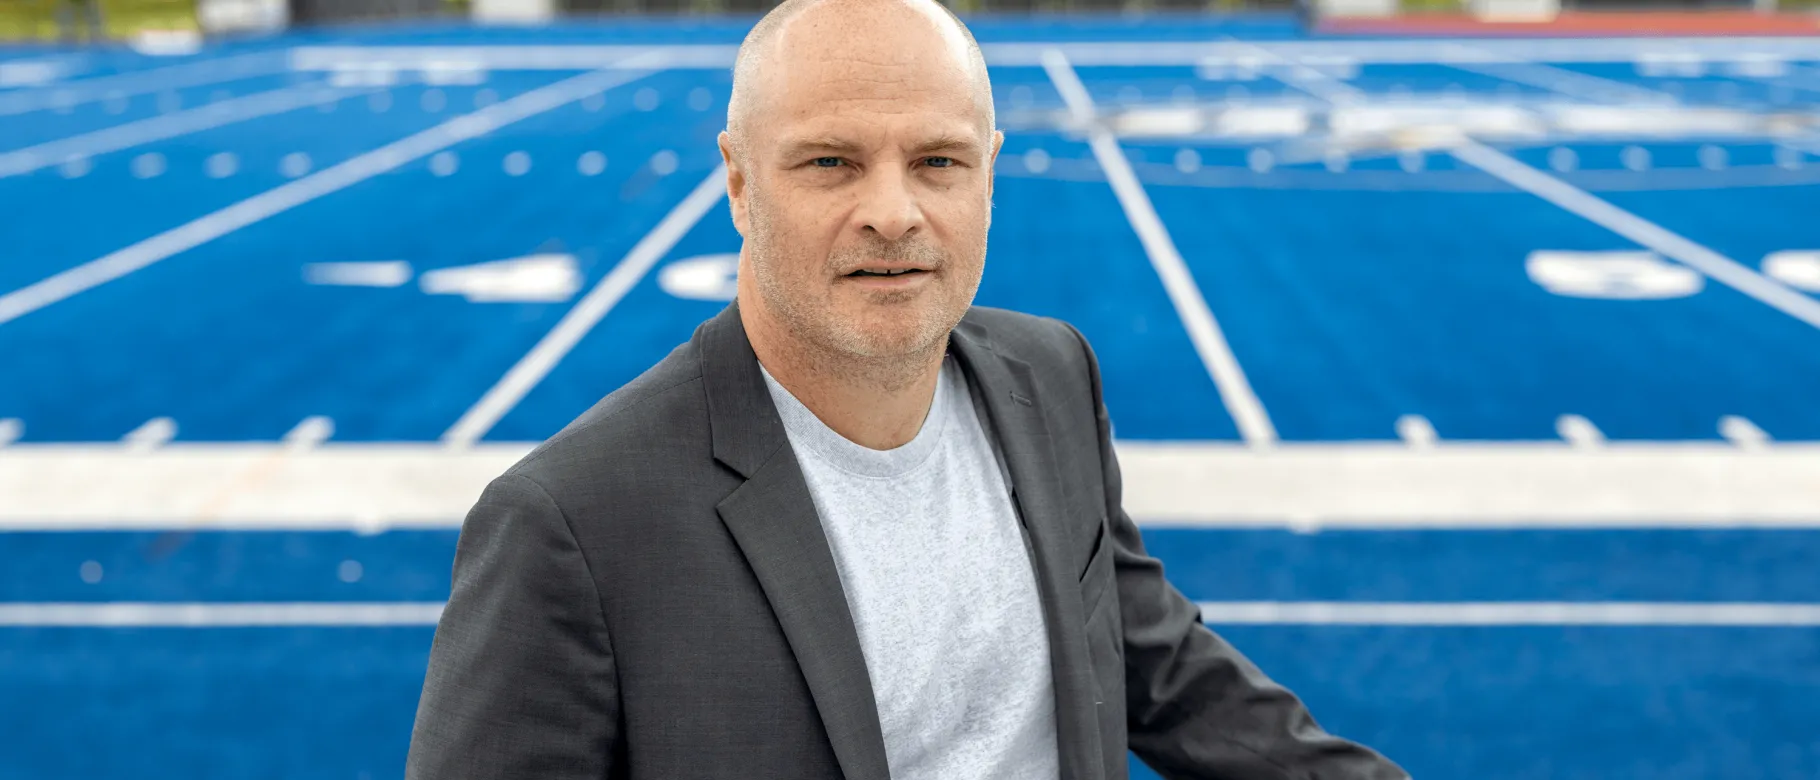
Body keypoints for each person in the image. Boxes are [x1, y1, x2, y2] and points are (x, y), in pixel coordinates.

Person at [405, 0, 1407, 778]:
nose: (893, 213)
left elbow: (1159, 668)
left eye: (936, 161)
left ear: (988, 177)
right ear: (740, 184)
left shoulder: (1053, 376)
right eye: (830, 162)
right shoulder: (571, 524)